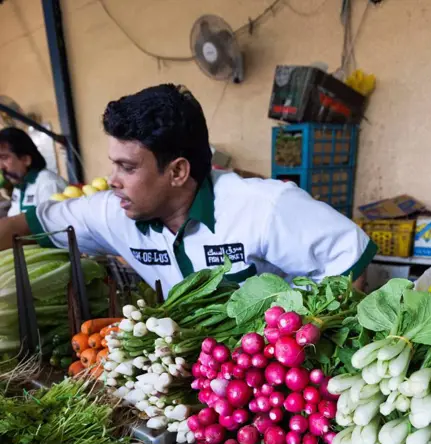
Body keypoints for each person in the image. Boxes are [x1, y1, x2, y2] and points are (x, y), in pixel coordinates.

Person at [0, 85, 376, 295]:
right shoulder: (111, 213)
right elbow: (22, 227)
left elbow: (350, 257)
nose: (112, 179)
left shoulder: (265, 207)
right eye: (114, 164)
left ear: (178, 171)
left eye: (127, 167)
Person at [0, 127, 67, 217]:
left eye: (4, 157)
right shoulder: (20, 184)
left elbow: (54, 227)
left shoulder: (48, 184)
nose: (1, 166)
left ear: (26, 160)